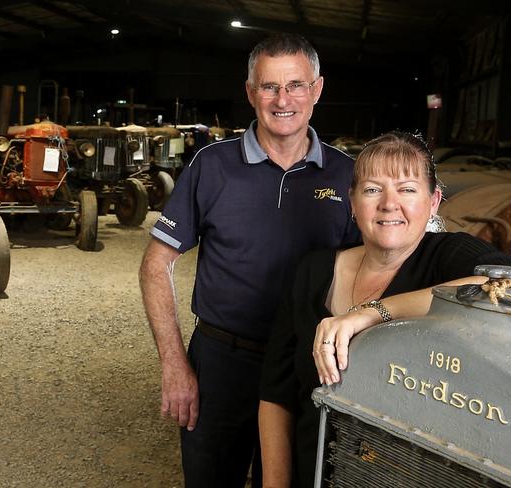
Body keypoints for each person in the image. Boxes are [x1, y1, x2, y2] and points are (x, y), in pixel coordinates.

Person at [139, 33, 360, 488]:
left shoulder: (348, 174)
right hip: (222, 363)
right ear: (250, 92)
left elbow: (376, 265)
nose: (283, 100)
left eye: (296, 85)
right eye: (269, 87)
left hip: (309, 366)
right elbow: (154, 265)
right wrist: (175, 365)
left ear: (317, 90)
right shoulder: (211, 166)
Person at [258, 131, 511, 488]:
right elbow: (276, 395)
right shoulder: (313, 270)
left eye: (407, 189)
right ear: (353, 202)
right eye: (373, 189)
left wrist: (372, 312)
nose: (389, 203)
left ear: (433, 202)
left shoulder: (447, 255)